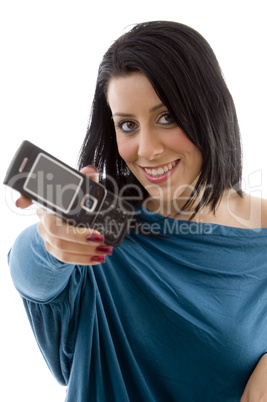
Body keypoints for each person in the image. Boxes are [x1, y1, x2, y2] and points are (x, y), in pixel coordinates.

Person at [9, 21, 267, 401]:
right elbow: (31, 275)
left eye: (167, 117)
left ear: (210, 110)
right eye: (127, 125)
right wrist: (49, 245)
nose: (146, 149)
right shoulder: (107, 228)